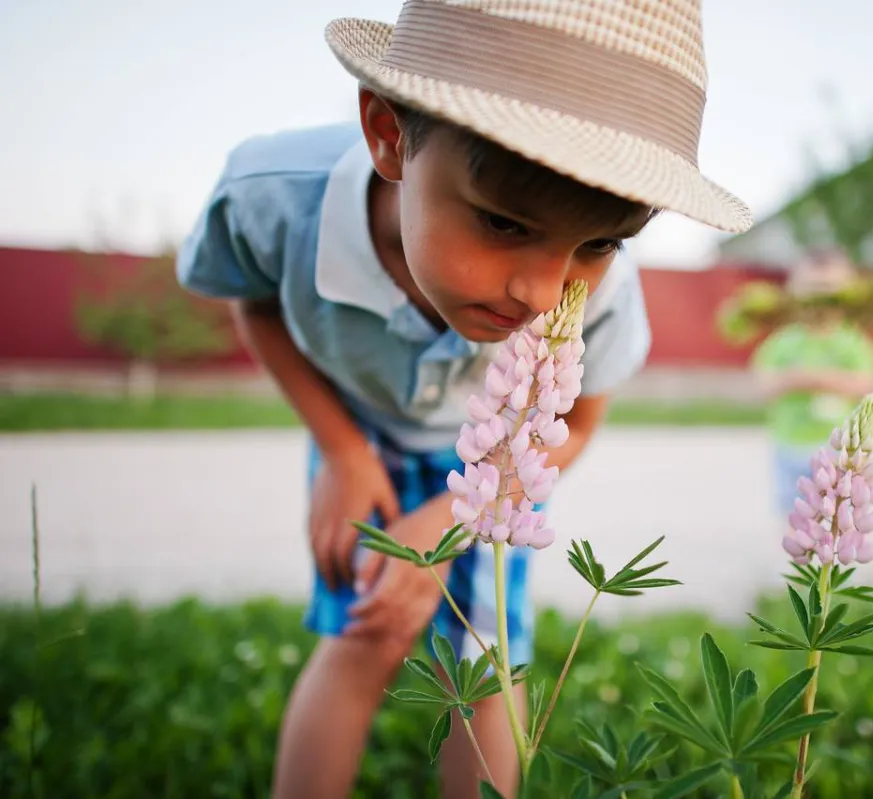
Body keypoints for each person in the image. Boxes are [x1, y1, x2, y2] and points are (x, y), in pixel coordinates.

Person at [175, 2, 752, 797]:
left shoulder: (603, 296)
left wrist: (462, 513)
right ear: (388, 133)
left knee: (485, 662)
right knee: (363, 636)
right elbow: (254, 301)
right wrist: (341, 452)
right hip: (363, 433)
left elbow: (576, 420)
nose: (543, 293)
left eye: (598, 243)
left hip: (504, 465)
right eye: (504, 224)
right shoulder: (276, 200)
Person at [750, 250, 873, 521]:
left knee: (841, 514)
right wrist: (792, 380)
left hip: (840, 449)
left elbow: (871, 384)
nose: (821, 299)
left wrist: (818, 378)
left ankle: (837, 545)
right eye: (812, 288)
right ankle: (799, 549)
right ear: (793, 291)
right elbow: (762, 383)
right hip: (790, 443)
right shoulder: (783, 341)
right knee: (794, 513)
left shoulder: (852, 341)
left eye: (830, 290)